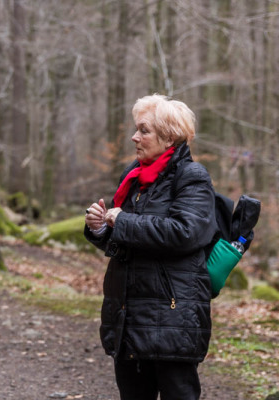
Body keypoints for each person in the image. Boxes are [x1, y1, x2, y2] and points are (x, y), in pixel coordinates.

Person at [84, 94, 217, 400]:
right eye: (136, 129)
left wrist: (124, 221)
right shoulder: (135, 176)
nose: (134, 137)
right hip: (129, 314)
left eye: (143, 130)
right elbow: (128, 239)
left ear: (169, 136)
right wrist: (101, 227)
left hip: (173, 316)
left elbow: (186, 233)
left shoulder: (192, 177)